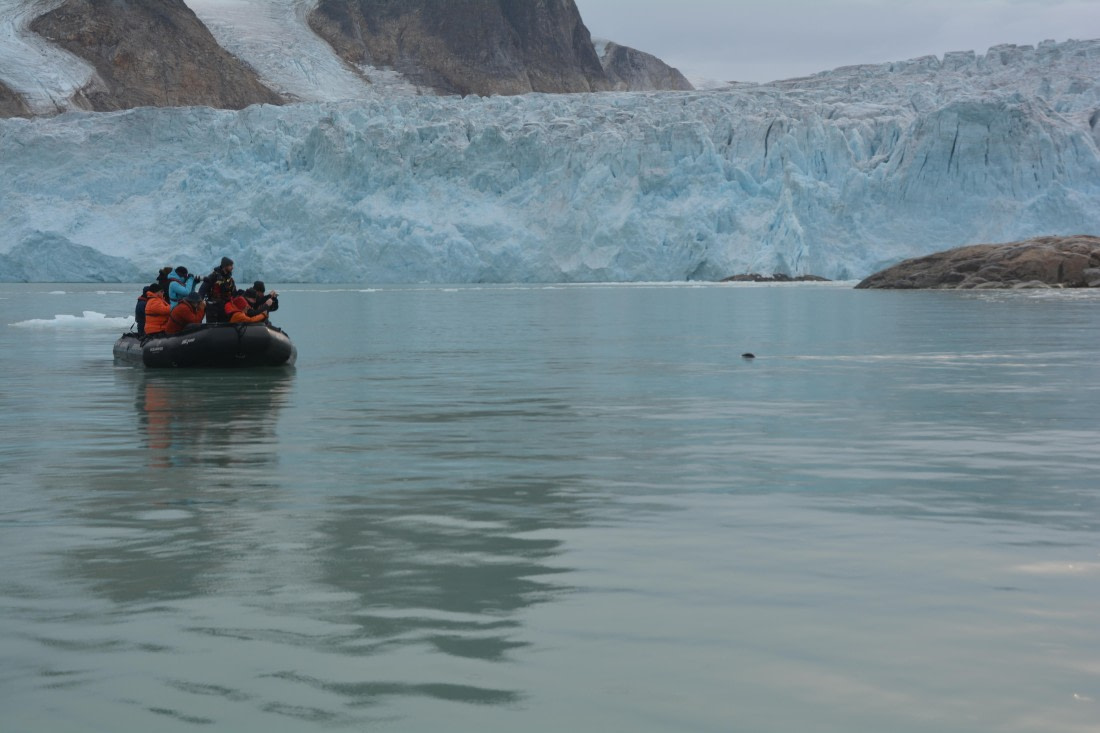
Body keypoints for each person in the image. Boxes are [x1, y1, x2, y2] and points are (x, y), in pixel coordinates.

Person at [198, 256, 236, 323]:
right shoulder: (213, 276)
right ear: (225, 266)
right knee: (212, 327)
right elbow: (203, 289)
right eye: (230, 265)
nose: (232, 267)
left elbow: (234, 293)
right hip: (213, 307)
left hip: (225, 307)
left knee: (224, 326)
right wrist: (199, 302)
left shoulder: (230, 279)